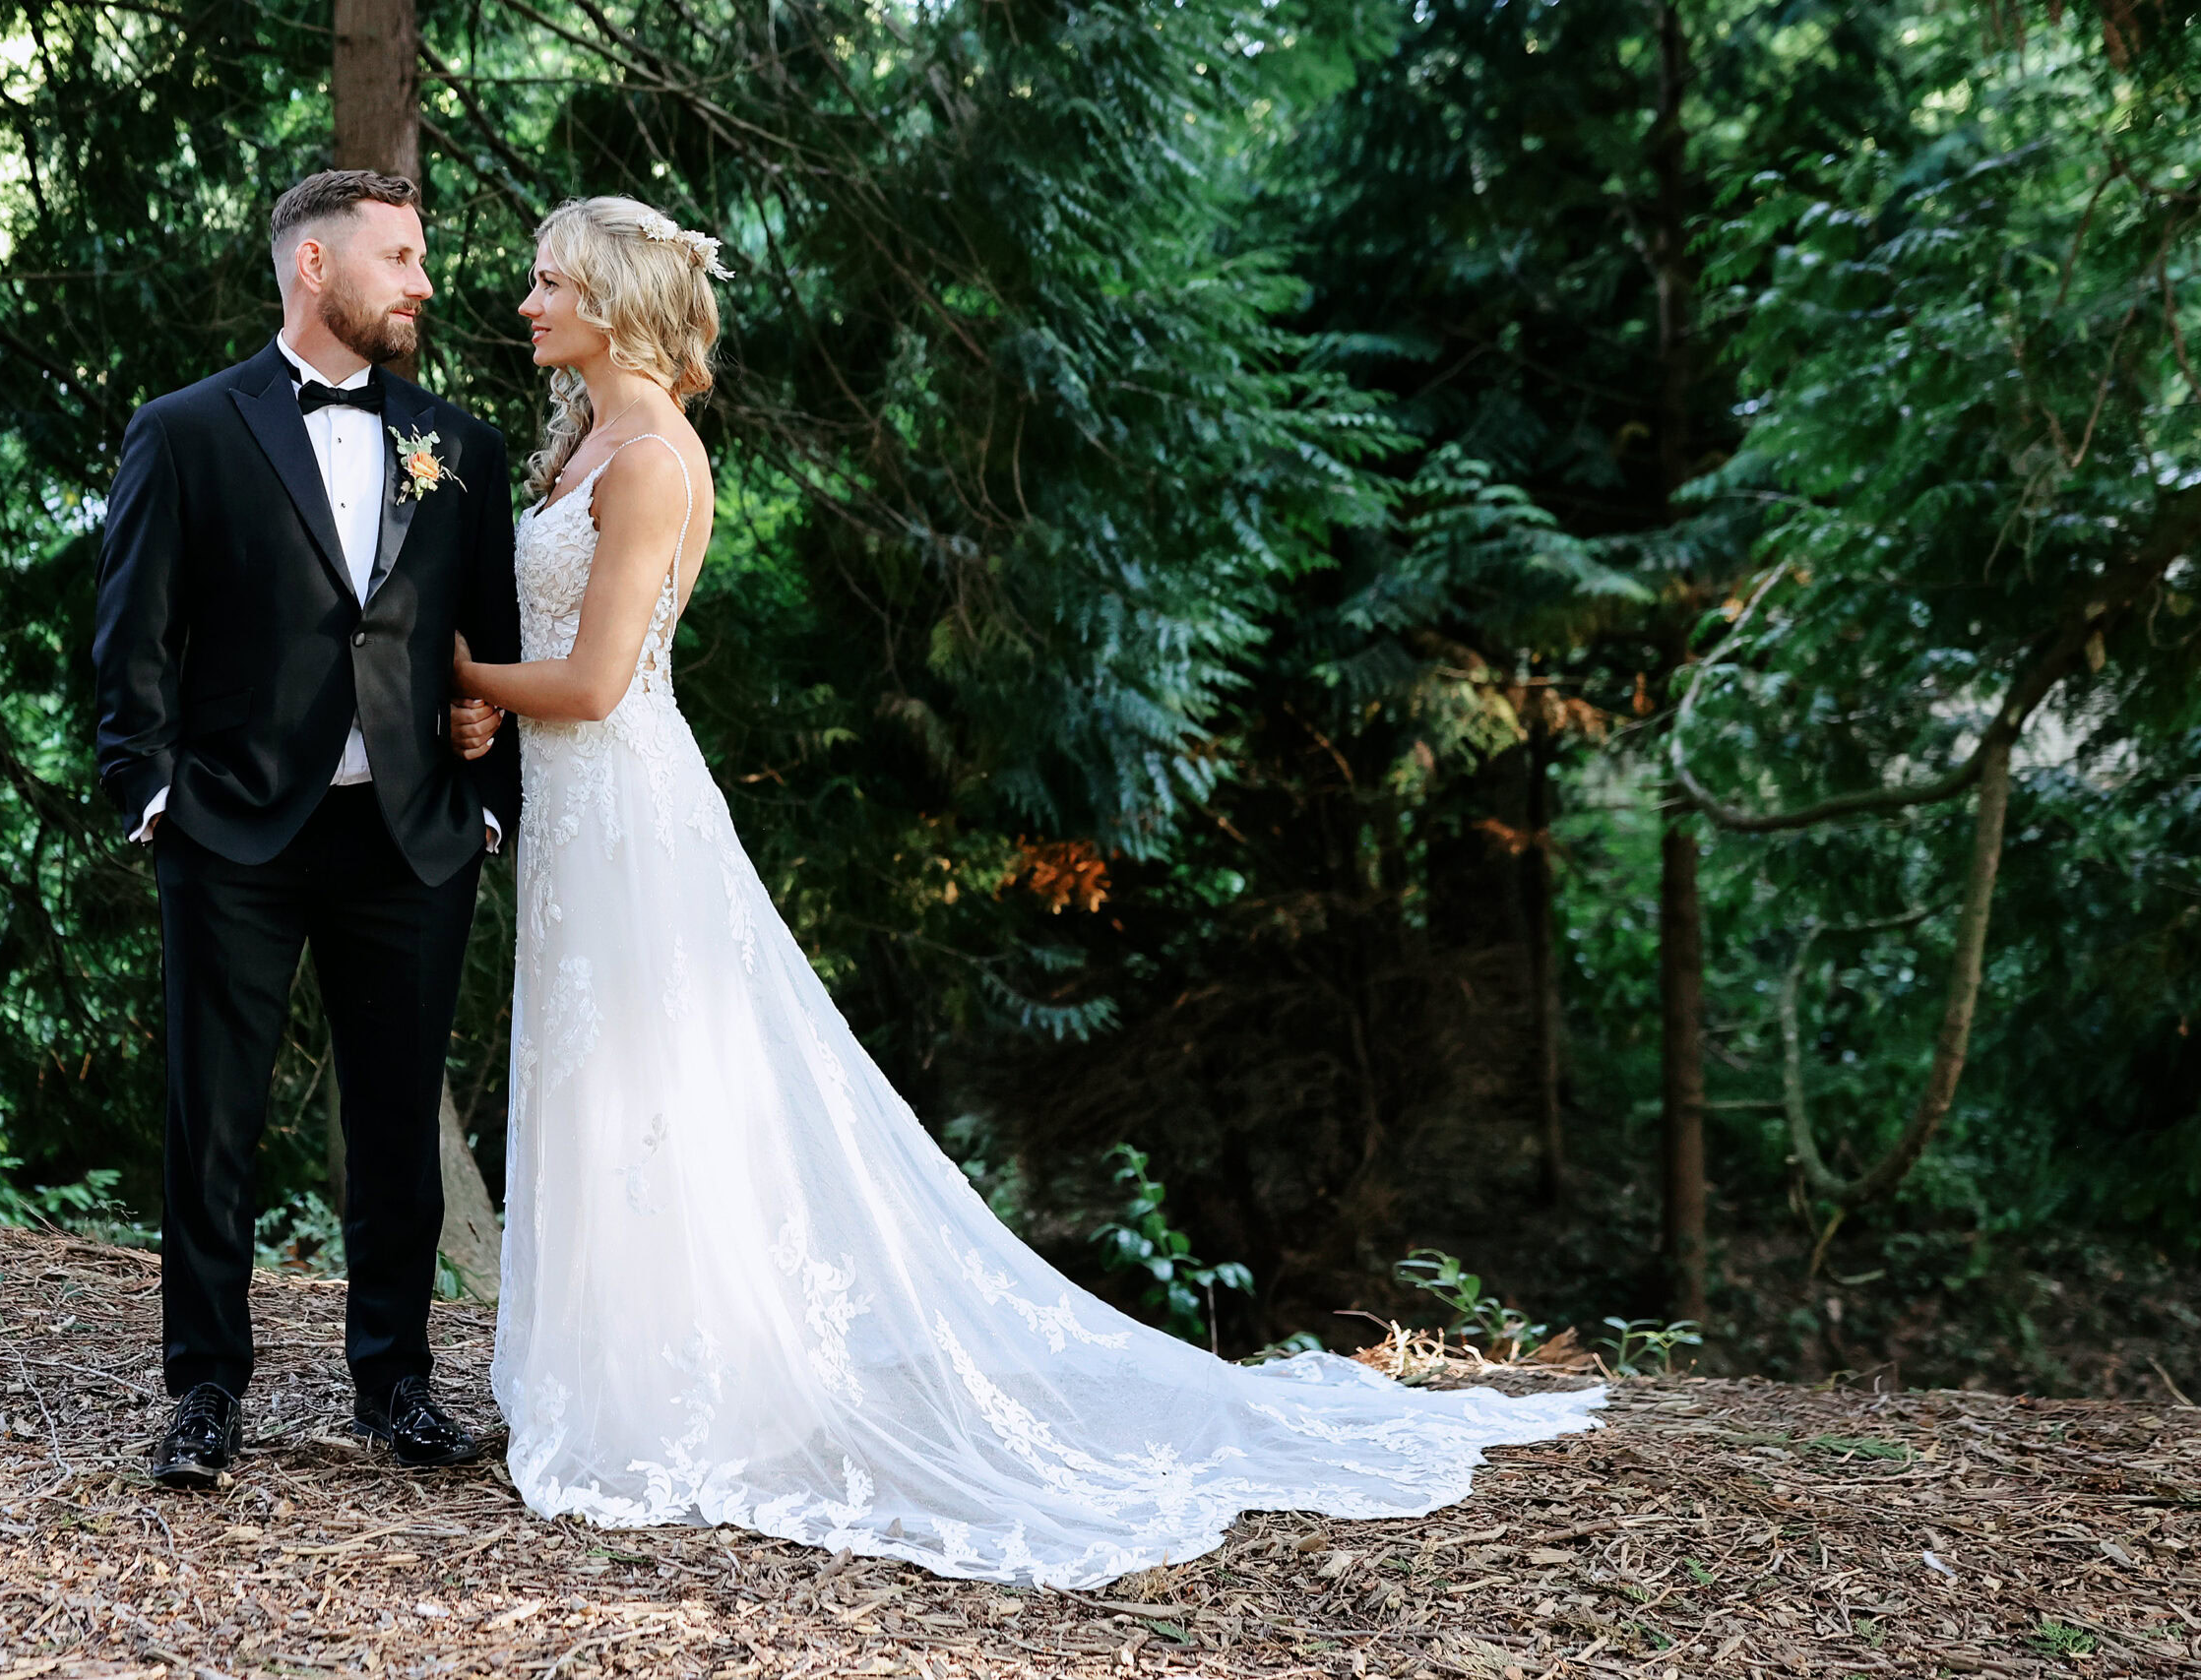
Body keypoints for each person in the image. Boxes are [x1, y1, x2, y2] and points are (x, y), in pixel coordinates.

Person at [453, 194, 1604, 1588]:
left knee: (649, 1079)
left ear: (614, 301)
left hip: (627, 804)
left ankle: (690, 1398)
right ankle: (631, 1369)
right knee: (603, 1082)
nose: (527, 303)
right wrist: (490, 699)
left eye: (550, 282)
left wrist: (452, 676)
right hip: (580, 812)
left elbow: (592, 682)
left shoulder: (650, 459)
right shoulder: (585, 440)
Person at [94, 169, 515, 1488]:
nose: (424, 283)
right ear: (313, 266)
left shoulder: (459, 442)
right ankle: (204, 1392)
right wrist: (153, 797)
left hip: (411, 838)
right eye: (400, 257)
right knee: (211, 1123)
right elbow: (131, 636)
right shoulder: (185, 430)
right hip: (235, 836)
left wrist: (487, 797)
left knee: (396, 1129)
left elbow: (490, 636)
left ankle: (394, 1386)